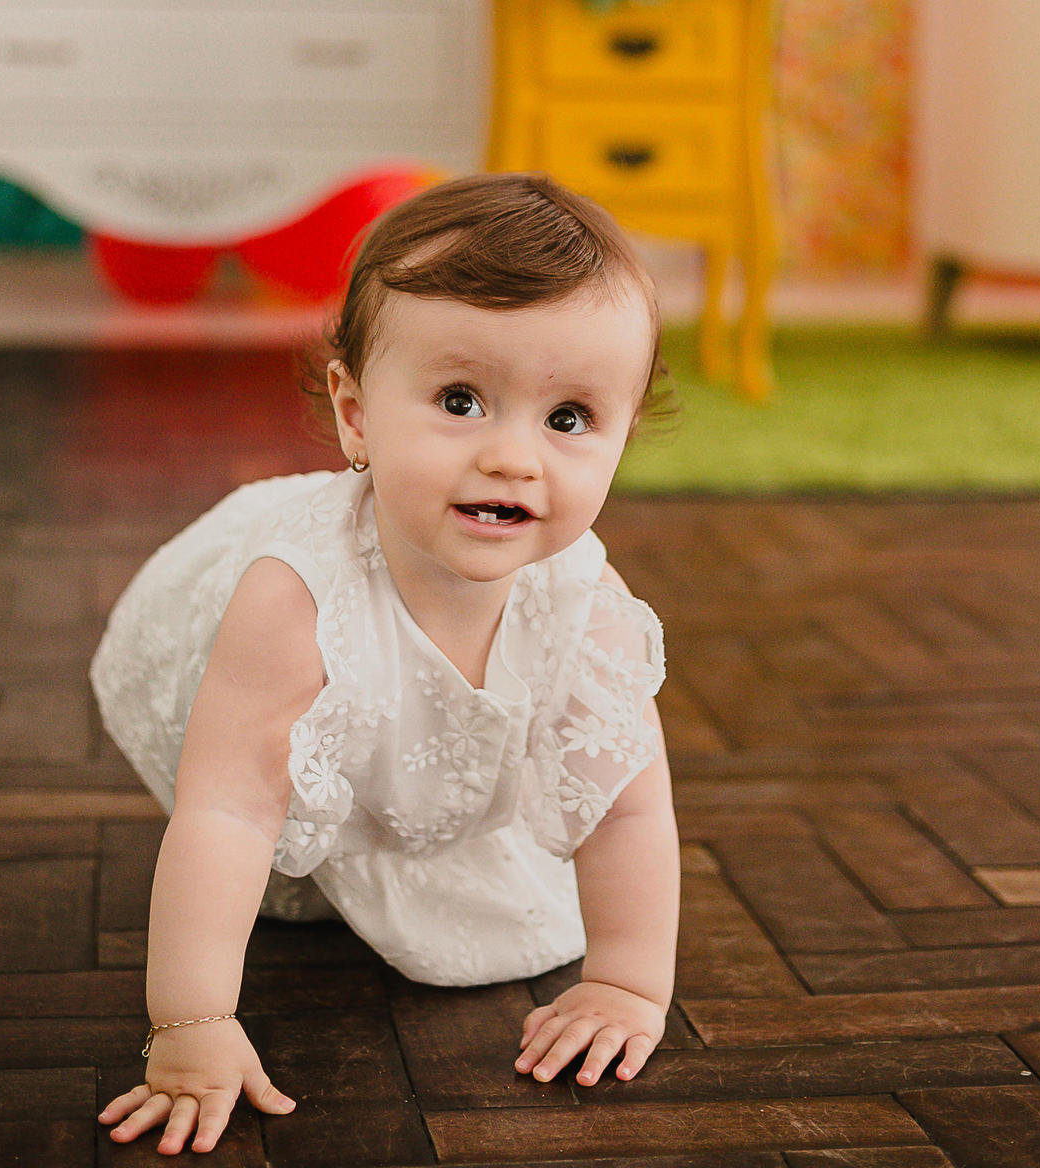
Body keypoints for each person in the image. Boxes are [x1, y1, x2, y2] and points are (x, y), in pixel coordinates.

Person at [92, 172, 680, 1157]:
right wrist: (191, 1024)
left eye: (569, 418)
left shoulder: (587, 604)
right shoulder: (293, 602)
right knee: (261, 826)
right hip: (249, 693)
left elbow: (627, 808)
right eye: (461, 400)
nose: (514, 457)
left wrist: (627, 983)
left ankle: (412, 806)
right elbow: (228, 811)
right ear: (356, 414)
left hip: (432, 747)